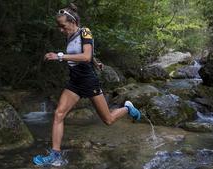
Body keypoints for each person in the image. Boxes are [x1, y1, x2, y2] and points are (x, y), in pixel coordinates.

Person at [32, 3, 141, 167]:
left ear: (73, 22)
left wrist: (59, 56)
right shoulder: (69, 35)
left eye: (62, 26)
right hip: (74, 81)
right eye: (59, 27)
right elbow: (84, 53)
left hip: (89, 81)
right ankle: (55, 155)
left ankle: (128, 108)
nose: (61, 30)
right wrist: (96, 62)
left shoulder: (85, 31)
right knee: (59, 114)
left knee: (108, 120)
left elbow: (86, 56)